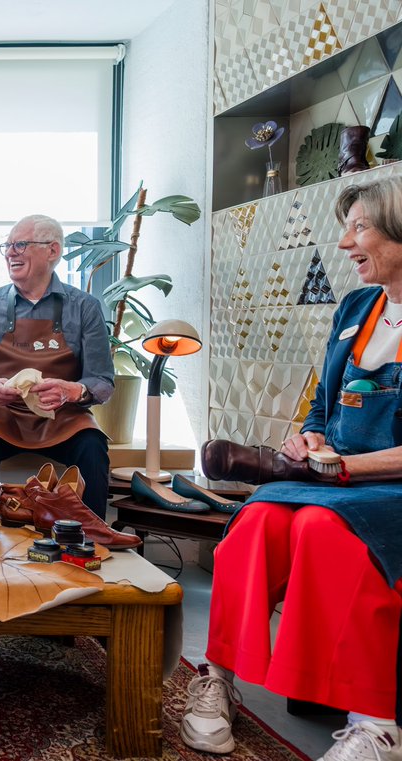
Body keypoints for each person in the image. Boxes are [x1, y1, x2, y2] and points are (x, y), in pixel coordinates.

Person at [185, 176, 402, 760]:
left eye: (359, 227)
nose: (343, 242)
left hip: (388, 489)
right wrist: (308, 437)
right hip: (332, 478)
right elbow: (323, 404)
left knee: (321, 530)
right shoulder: (360, 306)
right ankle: (217, 681)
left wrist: (347, 469)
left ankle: (376, 724)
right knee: (256, 523)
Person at [0, 214, 115, 519]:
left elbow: (102, 380)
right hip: (0, 416)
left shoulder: (85, 307)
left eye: (21, 244)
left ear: (52, 251)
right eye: (8, 246)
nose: (10, 253)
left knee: (93, 446)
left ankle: (91, 539)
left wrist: (74, 390)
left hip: (64, 417)